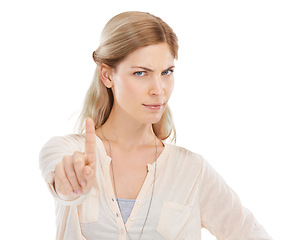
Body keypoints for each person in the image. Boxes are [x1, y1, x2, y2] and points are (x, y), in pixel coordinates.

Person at [39, 11, 272, 240]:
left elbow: (249, 233)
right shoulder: (68, 151)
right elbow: (60, 177)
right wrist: (70, 183)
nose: (158, 89)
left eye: (166, 72)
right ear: (107, 76)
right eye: (141, 73)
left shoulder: (191, 170)